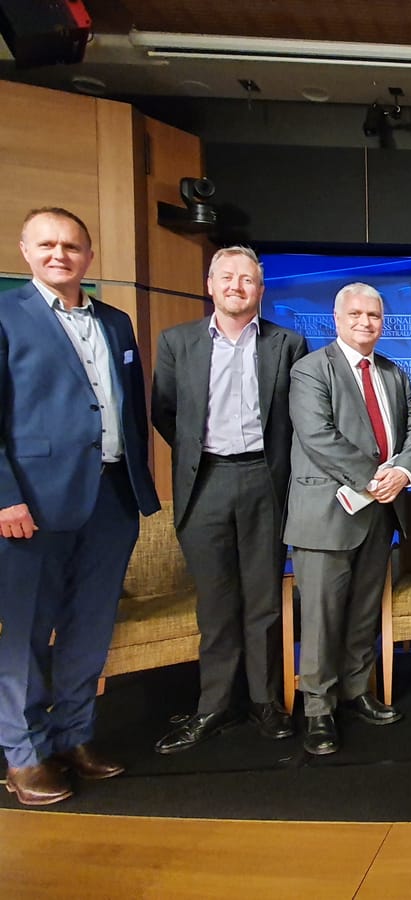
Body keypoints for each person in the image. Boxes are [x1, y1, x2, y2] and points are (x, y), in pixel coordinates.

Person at [0, 208, 159, 805]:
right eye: (47, 244)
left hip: (112, 496)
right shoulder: (6, 314)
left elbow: (128, 409)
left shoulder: (115, 322)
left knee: (89, 629)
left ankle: (72, 736)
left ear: (89, 256)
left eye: (71, 245)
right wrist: (5, 497)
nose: (59, 254)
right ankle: (23, 753)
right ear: (25, 250)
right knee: (26, 633)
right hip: (31, 506)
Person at [151, 246, 308, 754]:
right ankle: (215, 704)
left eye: (248, 279)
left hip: (266, 480)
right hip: (206, 483)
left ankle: (265, 701)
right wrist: (203, 456)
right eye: (228, 278)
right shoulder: (178, 342)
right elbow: (166, 412)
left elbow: (298, 419)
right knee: (216, 603)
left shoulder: (289, 343)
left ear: (261, 290)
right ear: (210, 285)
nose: (238, 286)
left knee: (263, 599)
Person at [285, 283, 411, 755]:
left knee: (364, 611)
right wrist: (374, 477)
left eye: (374, 315)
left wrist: (402, 472)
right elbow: (317, 435)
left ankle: (356, 690)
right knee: (321, 617)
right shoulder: (310, 369)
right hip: (327, 514)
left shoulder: (393, 372)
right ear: (337, 317)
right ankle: (318, 711)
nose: (366, 322)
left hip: (380, 513)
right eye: (356, 314)